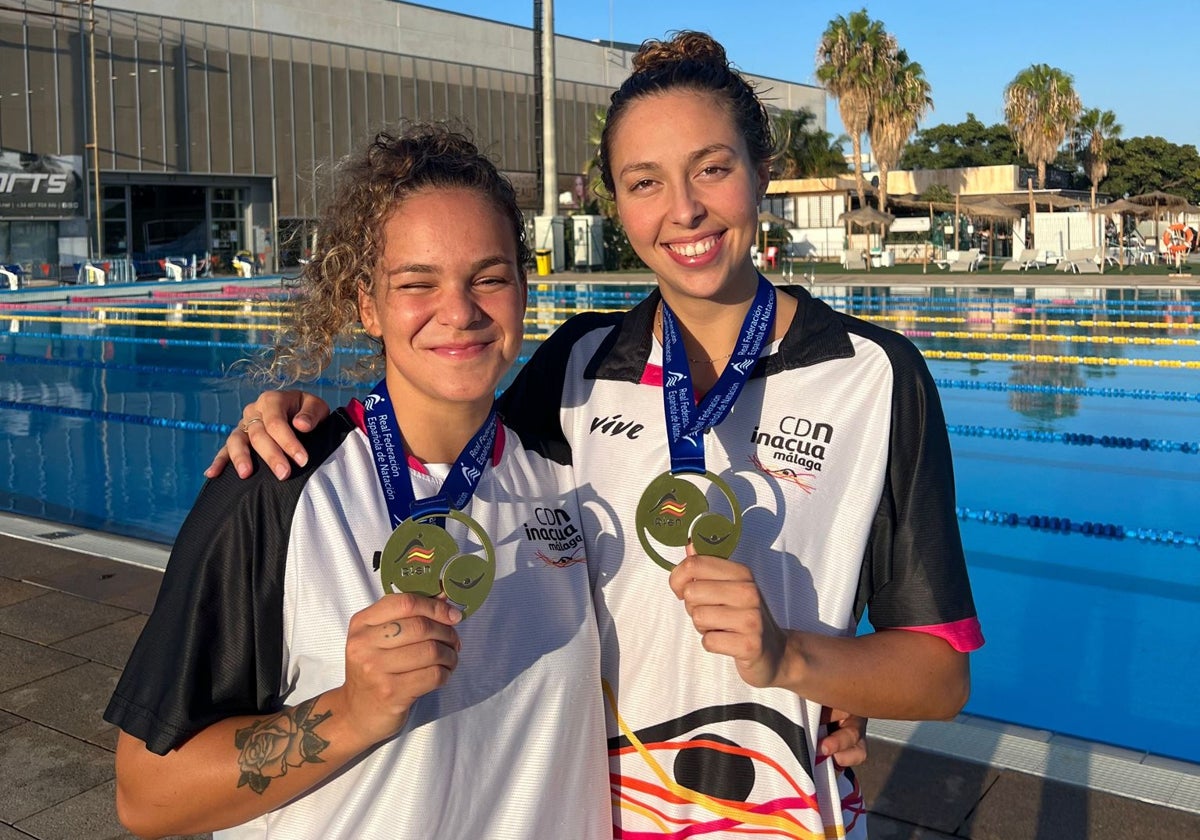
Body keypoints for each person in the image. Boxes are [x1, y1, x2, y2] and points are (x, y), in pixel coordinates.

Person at [210, 32, 980, 838]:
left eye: (712, 168)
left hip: (784, 818)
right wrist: (308, 414)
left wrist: (792, 659)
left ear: (762, 171)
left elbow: (939, 676)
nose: (683, 209)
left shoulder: (874, 377)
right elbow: (442, 440)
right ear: (618, 204)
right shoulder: (577, 365)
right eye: (645, 182)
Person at [103, 124, 612, 838]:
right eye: (417, 284)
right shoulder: (275, 485)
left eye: (489, 277)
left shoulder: (569, 471)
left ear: (525, 290)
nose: (460, 311)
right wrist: (352, 711)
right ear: (366, 305)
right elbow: (147, 795)